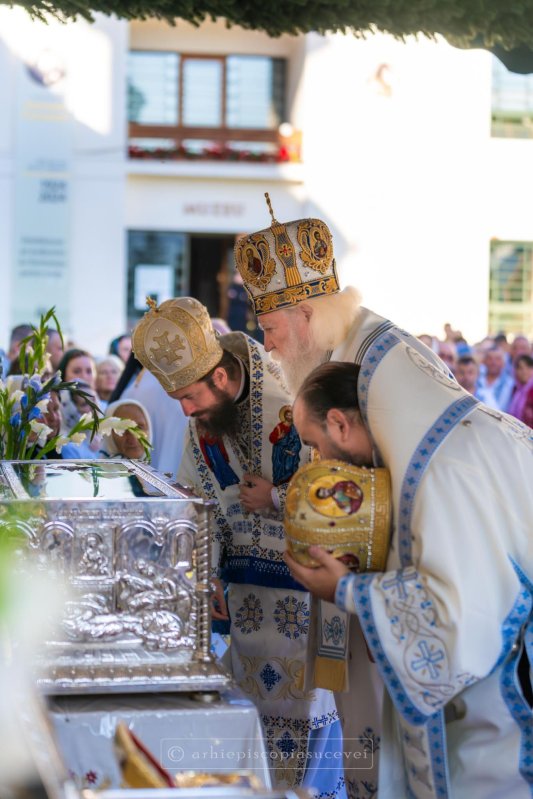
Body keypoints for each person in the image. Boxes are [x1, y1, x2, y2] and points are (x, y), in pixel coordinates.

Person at [284, 359, 533, 799]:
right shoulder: (450, 439)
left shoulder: (441, 470)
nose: (319, 461)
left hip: (498, 712)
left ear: (340, 423)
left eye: (314, 444)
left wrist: (347, 591)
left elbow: (456, 614)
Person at [132, 297, 344, 796]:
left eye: (188, 396)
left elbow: (341, 487)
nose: (184, 411)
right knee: (251, 728)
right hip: (246, 608)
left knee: (304, 726)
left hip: (304, 597)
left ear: (221, 380)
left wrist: (275, 497)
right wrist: (206, 573)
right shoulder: (205, 419)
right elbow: (198, 501)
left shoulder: (294, 396)